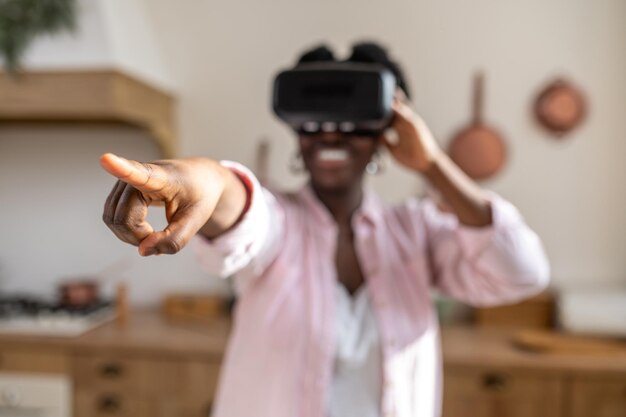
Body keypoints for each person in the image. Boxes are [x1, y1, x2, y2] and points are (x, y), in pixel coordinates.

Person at [100, 42, 549, 417]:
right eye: (314, 122)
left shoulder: (416, 231)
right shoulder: (282, 223)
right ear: (296, 131)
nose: (331, 135)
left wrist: (433, 165)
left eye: (354, 123)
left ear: (385, 133)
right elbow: (244, 212)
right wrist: (209, 179)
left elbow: (522, 271)